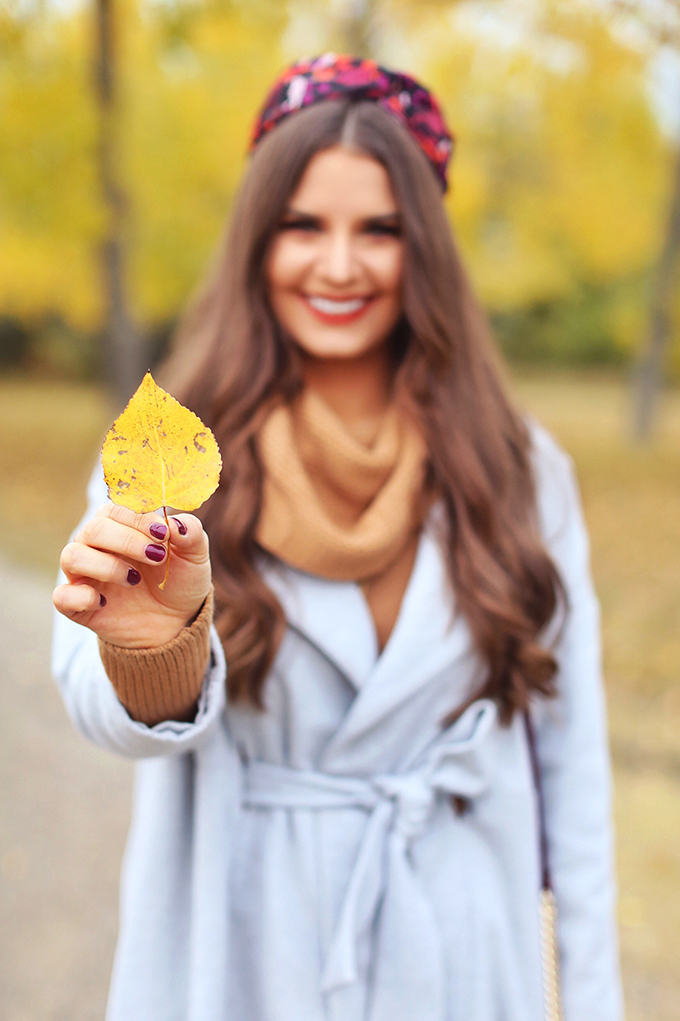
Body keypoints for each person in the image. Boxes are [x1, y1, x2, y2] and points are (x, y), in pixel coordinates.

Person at [52, 54, 624, 1021]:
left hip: (463, 954)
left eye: (381, 231)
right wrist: (161, 655)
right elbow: (98, 701)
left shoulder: (522, 470)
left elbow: (573, 780)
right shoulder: (167, 457)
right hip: (243, 944)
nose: (341, 264)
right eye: (304, 225)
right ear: (256, 241)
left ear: (426, 249)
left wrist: (596, 1002)